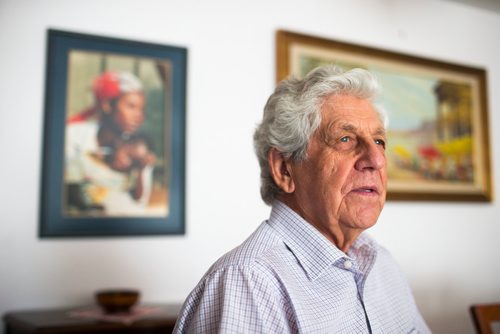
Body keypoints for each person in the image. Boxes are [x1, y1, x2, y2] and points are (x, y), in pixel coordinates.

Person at [173, 65, 431, 333]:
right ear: (284, 168)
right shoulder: (248, 283)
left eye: (379, 141)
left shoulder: (380, 262)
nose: (376, 160)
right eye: (345, 139)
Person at [65, 71, 156, 215]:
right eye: (131, 106)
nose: (139, 116)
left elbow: (138, 205)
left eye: (141, 109)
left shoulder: (138, 150)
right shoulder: (73, 136)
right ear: (107, 105)